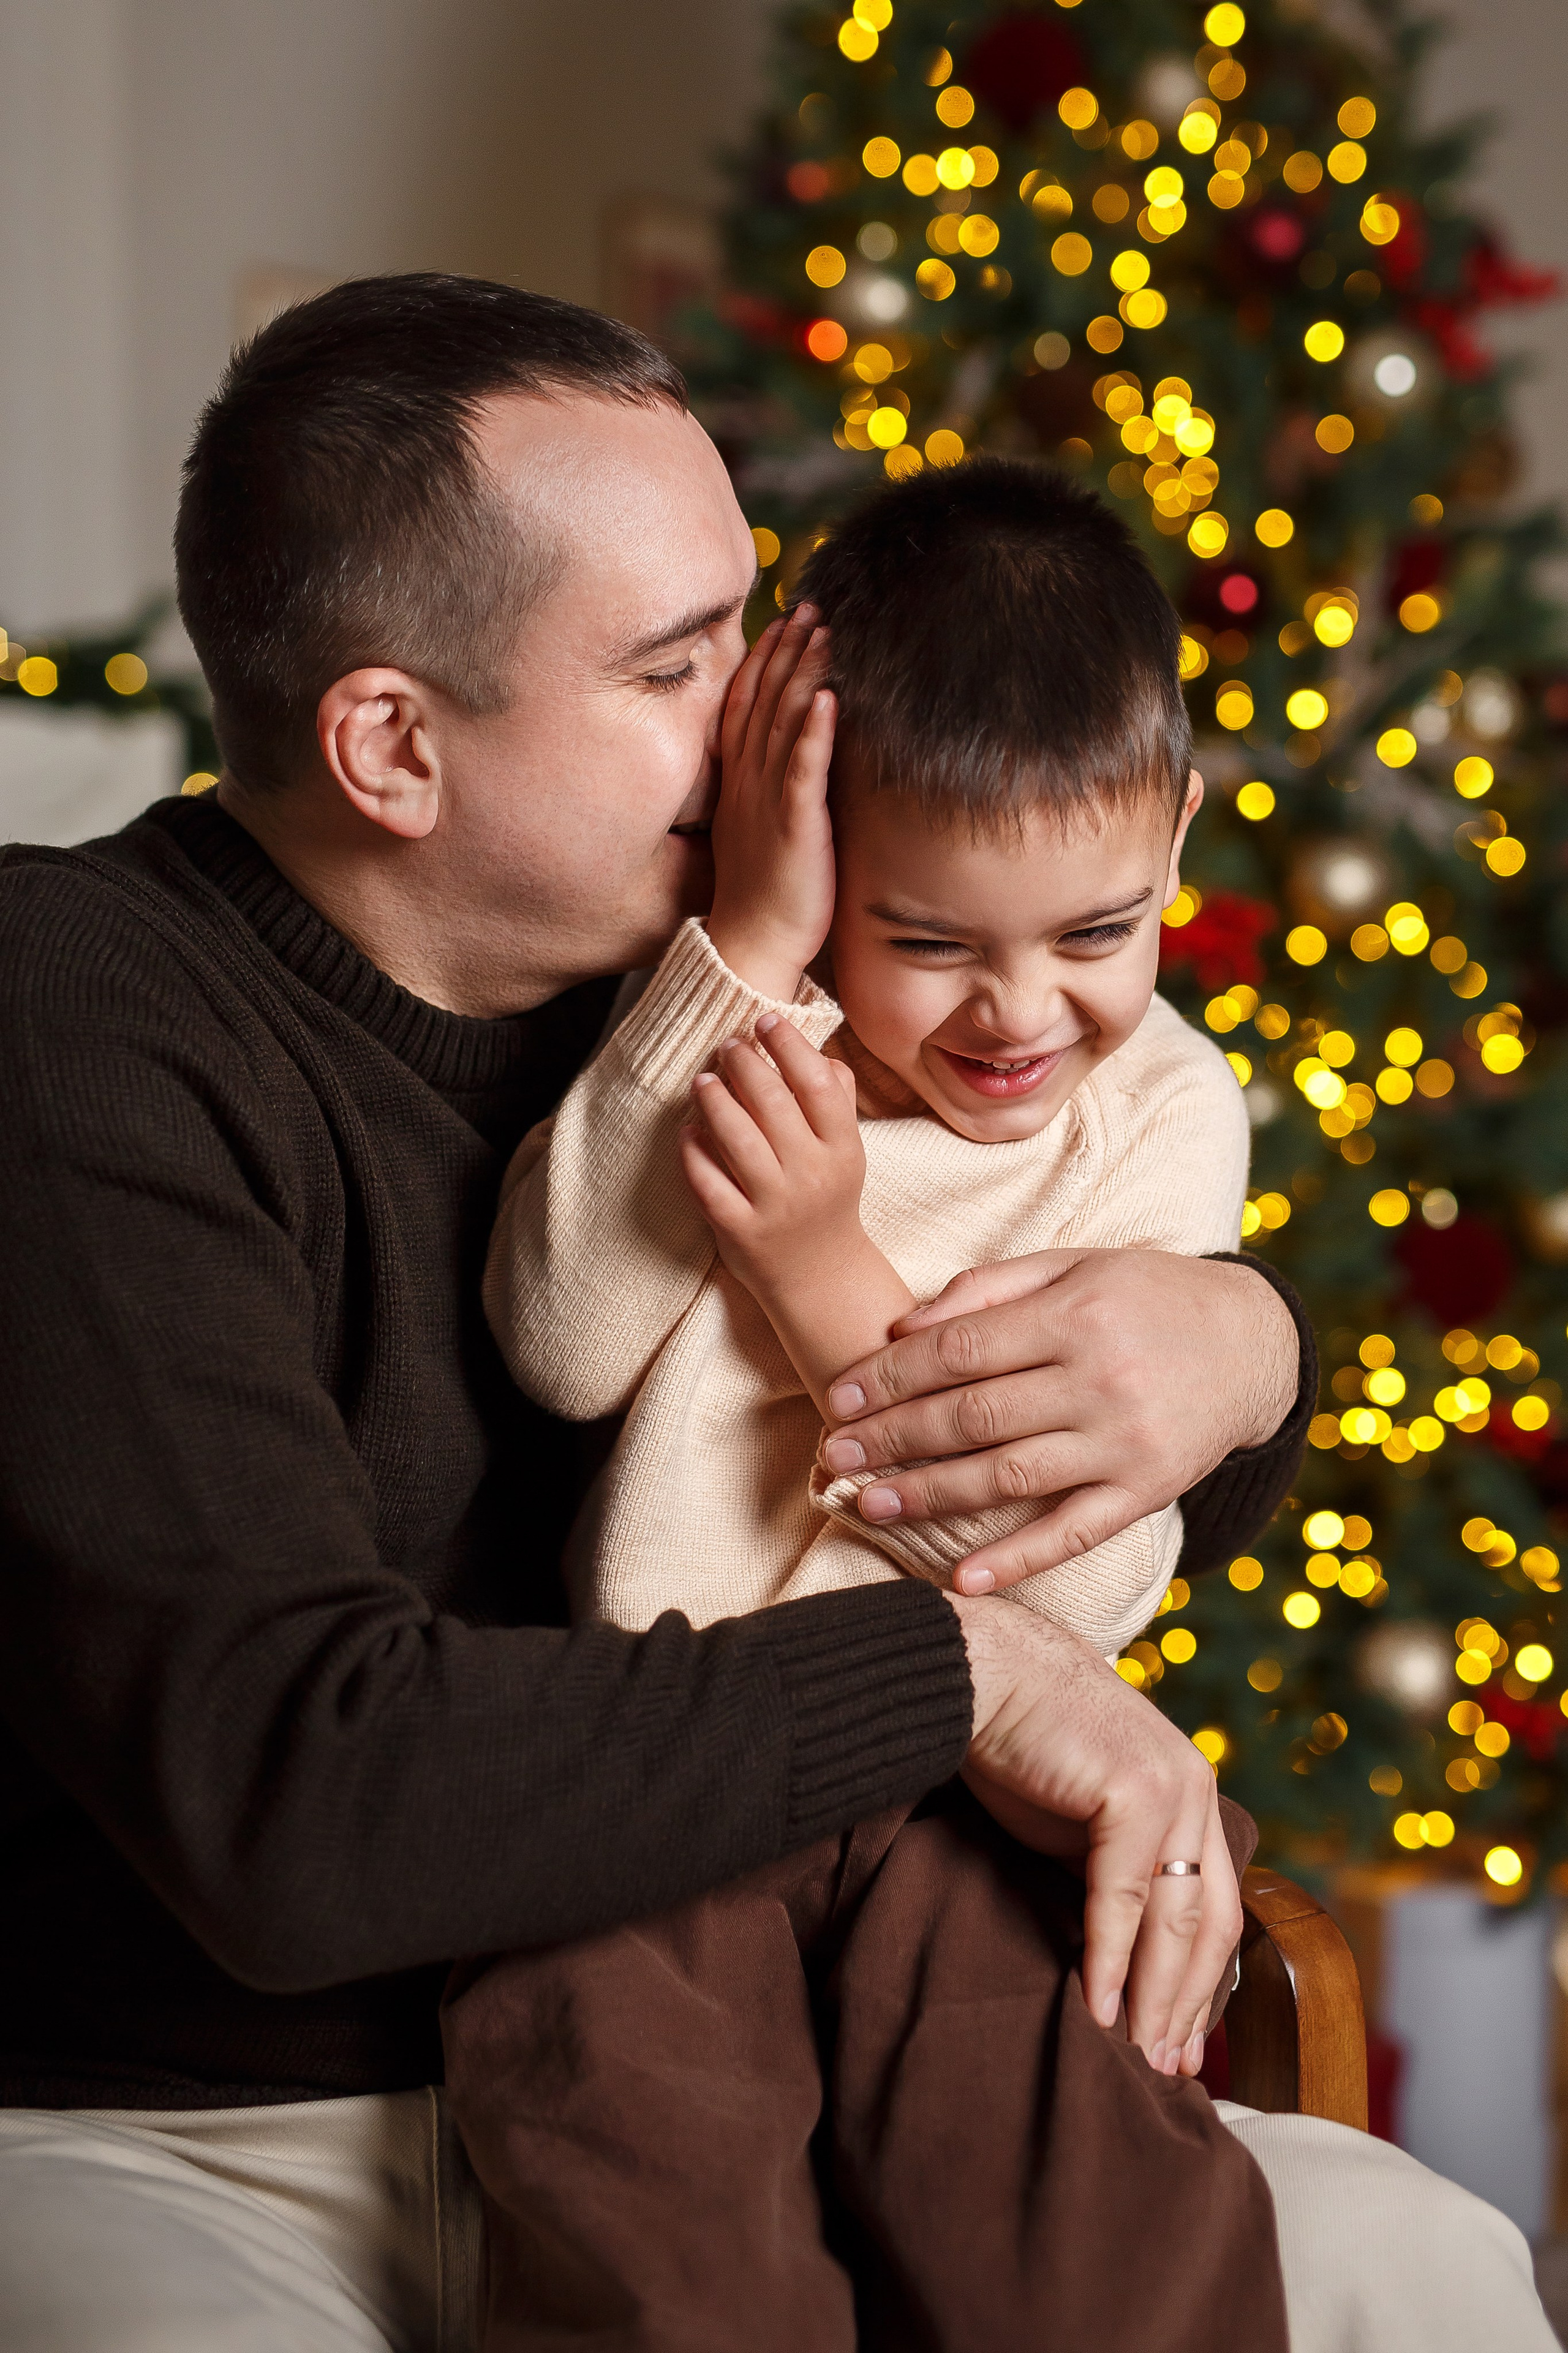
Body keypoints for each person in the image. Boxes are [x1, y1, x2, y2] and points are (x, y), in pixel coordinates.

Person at [0, 276, 1549, 2353]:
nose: (785, 720)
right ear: (392, 745)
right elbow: (304, 1793)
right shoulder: (79, 1012)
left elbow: (1017, 1357)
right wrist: (959, 1676)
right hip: (210, 2114)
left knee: (1427, 2273)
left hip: (804, 2018)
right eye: (683, 662)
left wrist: (1236, 1348)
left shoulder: (736, 959)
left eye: (761, 626)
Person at [453, 459, 1287, 2347]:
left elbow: (1073, 1600)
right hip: (670, 1759)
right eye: (930, 943)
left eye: (1097, 931)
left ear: (1174, 835)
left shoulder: (1161, 1116)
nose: (1020, 1017)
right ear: (821, 857)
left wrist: (823, 1276)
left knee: (1091, 2207)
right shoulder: (740, 1029)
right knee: (643, 2172)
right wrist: (744, 957)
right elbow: (562, 1334)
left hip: (972, 1798)